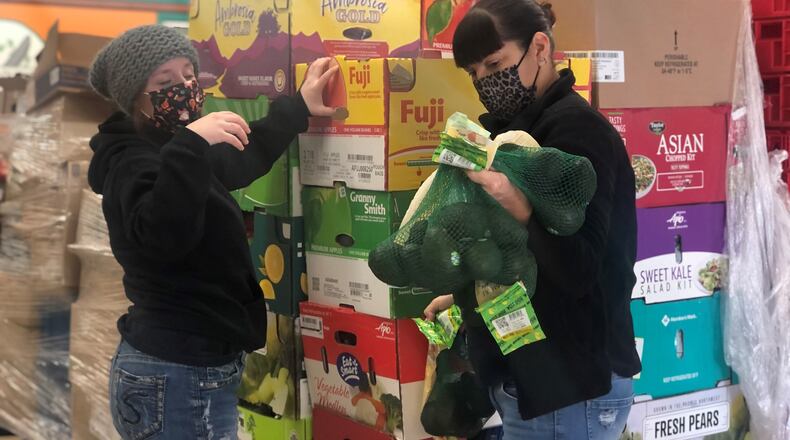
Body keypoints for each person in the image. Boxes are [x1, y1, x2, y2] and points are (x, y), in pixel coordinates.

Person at [87, 25, 337, 440]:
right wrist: (190, 144)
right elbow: (164, 236)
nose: (184, 88)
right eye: (165, 82)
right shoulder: (131, 162)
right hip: (176, 371)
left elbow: (242, 156)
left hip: (193, 368)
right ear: (135, 99)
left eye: (188, 74)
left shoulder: (172, 147)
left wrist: (298, 109)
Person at [423, 1, 642, 438]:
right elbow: (521, 257)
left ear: (539, 47)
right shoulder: (520, 133)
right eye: (474, 73)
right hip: (539, 384)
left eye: (495, 63)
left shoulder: (576, 134)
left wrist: (518, 205)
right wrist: (468, 293)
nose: (486, 82)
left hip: (569, 387)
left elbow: (578, 267)